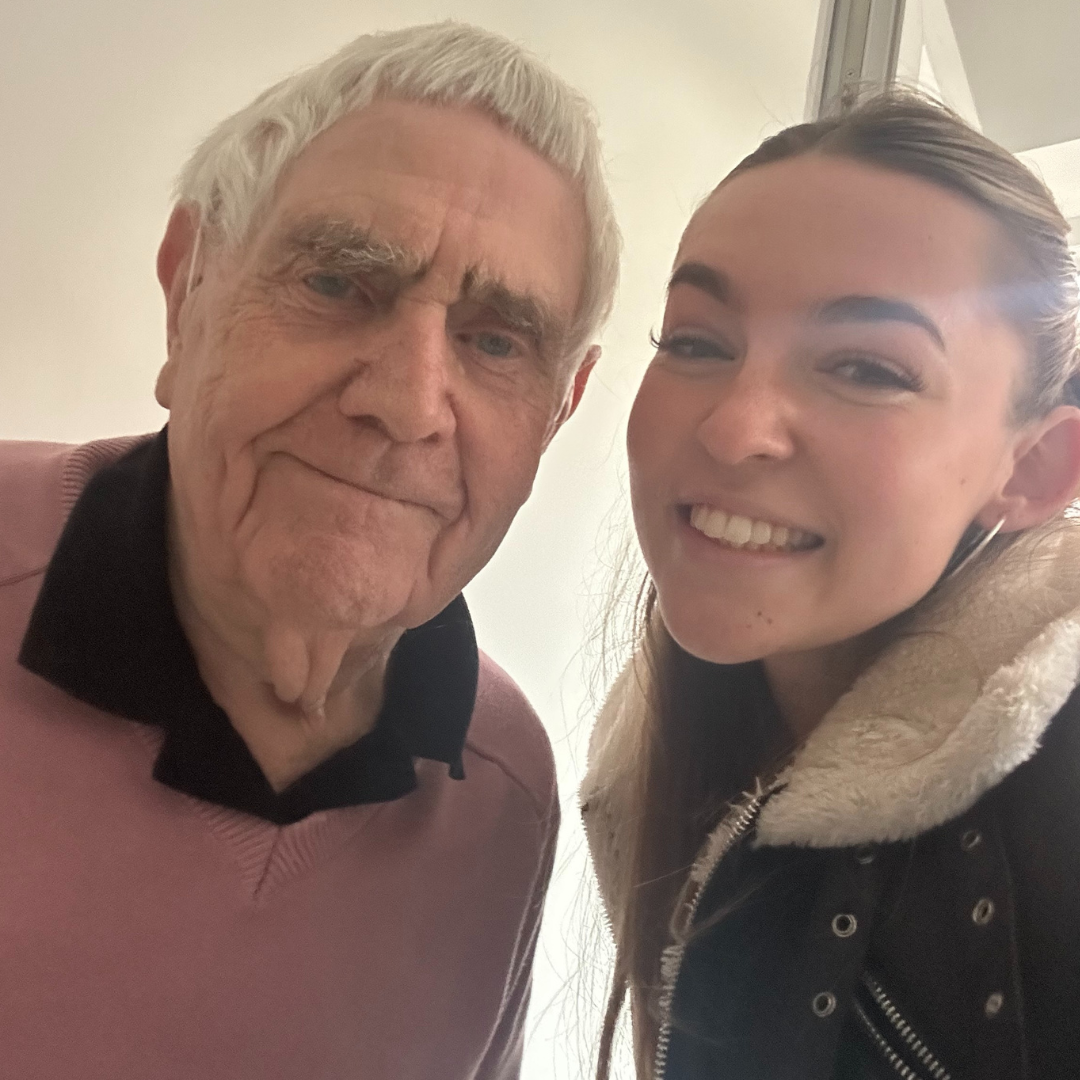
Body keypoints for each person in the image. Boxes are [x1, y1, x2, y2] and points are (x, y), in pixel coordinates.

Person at [0, 22, 618, 1080]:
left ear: (557, 415)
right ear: (186, 289)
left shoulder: (507, 786)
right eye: (338, 283)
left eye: (496, 341)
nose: (407, 403)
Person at [582, 91, 1080, 1080]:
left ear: (1031, 472)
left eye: (864, 367)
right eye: (697, 340)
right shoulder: (652, 768)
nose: (732, 428)